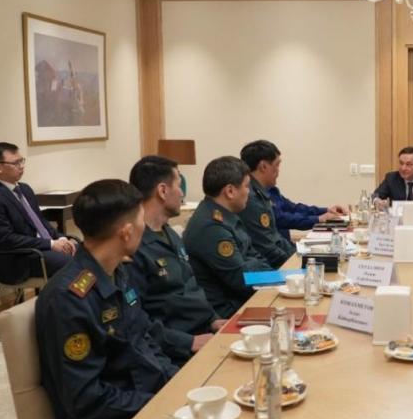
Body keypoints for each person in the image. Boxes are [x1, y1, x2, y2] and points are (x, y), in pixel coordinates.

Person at [35, 179, 178, 419]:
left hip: (143, 400)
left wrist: (177, 384)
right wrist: (160, 404)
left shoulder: (115, 271)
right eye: (141, 220)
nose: (145, 227)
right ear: (126, 232)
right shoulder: (69, 299)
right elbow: (86, 400)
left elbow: (143, 338)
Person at [126, 156, 225, 365]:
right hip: (176, 350)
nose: (182, 194)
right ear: (162, 191)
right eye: (179, 185)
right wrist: (189, 342)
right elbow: (137, 320)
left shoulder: (170, 233)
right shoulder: (134, 247)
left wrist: (214, 319)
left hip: (205, 331)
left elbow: (191, 286)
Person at [183, 156, 273, 318]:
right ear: (230, 191)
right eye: (246, 186)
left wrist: (255, 266)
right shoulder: (212, 227)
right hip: (229, 311)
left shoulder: (226, 216)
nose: (249, 192)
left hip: (244, 299)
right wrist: (273, 276)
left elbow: (256, 256)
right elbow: (242, 279)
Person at [0, 142, 76, 283]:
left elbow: (40, 221)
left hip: (41, 249)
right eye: (15, 163)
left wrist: (60, 238)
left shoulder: (25, 189)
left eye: (21, 161)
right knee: (73, 263)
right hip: (21, 259)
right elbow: (7, 239)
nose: (21, 166)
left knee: (90, 253)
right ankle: (66, 297)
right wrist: (50, 244)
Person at [238, 140, 297, 268]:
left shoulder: (262, 193)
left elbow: (276, 239)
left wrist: (298, 255)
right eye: (277, 165)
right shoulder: (251, 199)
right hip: (265, 267)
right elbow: (266, 248)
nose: (278, 171)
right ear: (263, 166)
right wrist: (297, 264)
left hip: (269, 264)